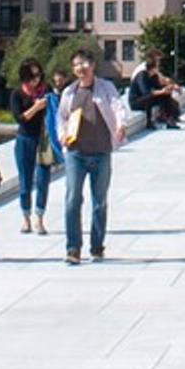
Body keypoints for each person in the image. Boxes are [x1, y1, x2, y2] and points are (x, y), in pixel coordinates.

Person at [53, 51, 124, 262]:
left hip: (101, 152)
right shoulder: (69, 92)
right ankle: (73, 248)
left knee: (99, 201)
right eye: (76, 64)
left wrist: (121, 125)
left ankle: (96, 245)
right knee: (72, 199)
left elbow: (116, 106)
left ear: (92, 65)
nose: (80, 68)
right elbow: (61, 117)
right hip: (76, 153)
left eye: (84, 63)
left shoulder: (105, 87)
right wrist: (62, 135)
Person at [10, 59, 54, 238]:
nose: (36, 79)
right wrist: (36, 107)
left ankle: (40, 217)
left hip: (43, 139)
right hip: (25, 138)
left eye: (38, 75)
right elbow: (20, 118)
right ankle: (26, 217)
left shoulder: (46, 90)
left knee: (43, 178)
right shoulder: (17, 94)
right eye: (32, 76)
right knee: (25, 179)